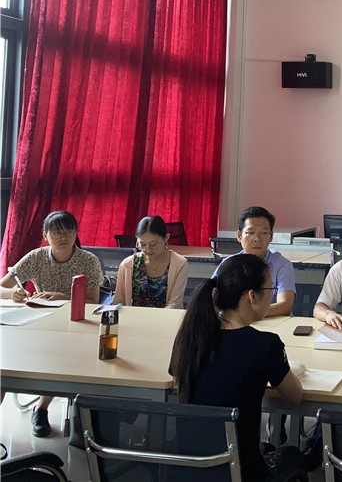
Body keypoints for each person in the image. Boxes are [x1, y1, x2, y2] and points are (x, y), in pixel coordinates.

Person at [169, 253, 306, 482]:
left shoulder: (191, 336)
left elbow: (179, 380)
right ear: (252, 296)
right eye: (270, 290)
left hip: (190, 467)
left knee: (266, 447)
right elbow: (295, 397)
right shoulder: (265, 344)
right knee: (292, 454)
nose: (271, 297)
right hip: (241, 470)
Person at [0, 210, 102, 437]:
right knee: (5, 359)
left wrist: (61, 296)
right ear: (45, 235)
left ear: (76, 233)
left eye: (68, 231)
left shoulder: (88, 260)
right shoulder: (36, 257)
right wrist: (13, 294)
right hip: (37, 322)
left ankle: (41, 407)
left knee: (62, 356)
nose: (63, 237)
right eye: (56, 233)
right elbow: (1, 287)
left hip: (75, 324)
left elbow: (93, 301)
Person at [214, 206, 295, 317]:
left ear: (271, 236)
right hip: (238, 323)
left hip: (273, 323)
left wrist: (245, 315)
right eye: (251, 233)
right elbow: (212, 300)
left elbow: (284, 306)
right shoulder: (228, 264)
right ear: (239, 236)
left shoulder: (281, 265)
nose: (257, 238)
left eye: (264, 233)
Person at [113, 215, 188, 308]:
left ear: (166, 238)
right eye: (142, 245)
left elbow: (174, 304)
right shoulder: (127, 265)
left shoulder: (179, 264)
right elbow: (119, 302)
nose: (148, 250)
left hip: (166, 316)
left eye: (153, 244)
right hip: (133, 316)